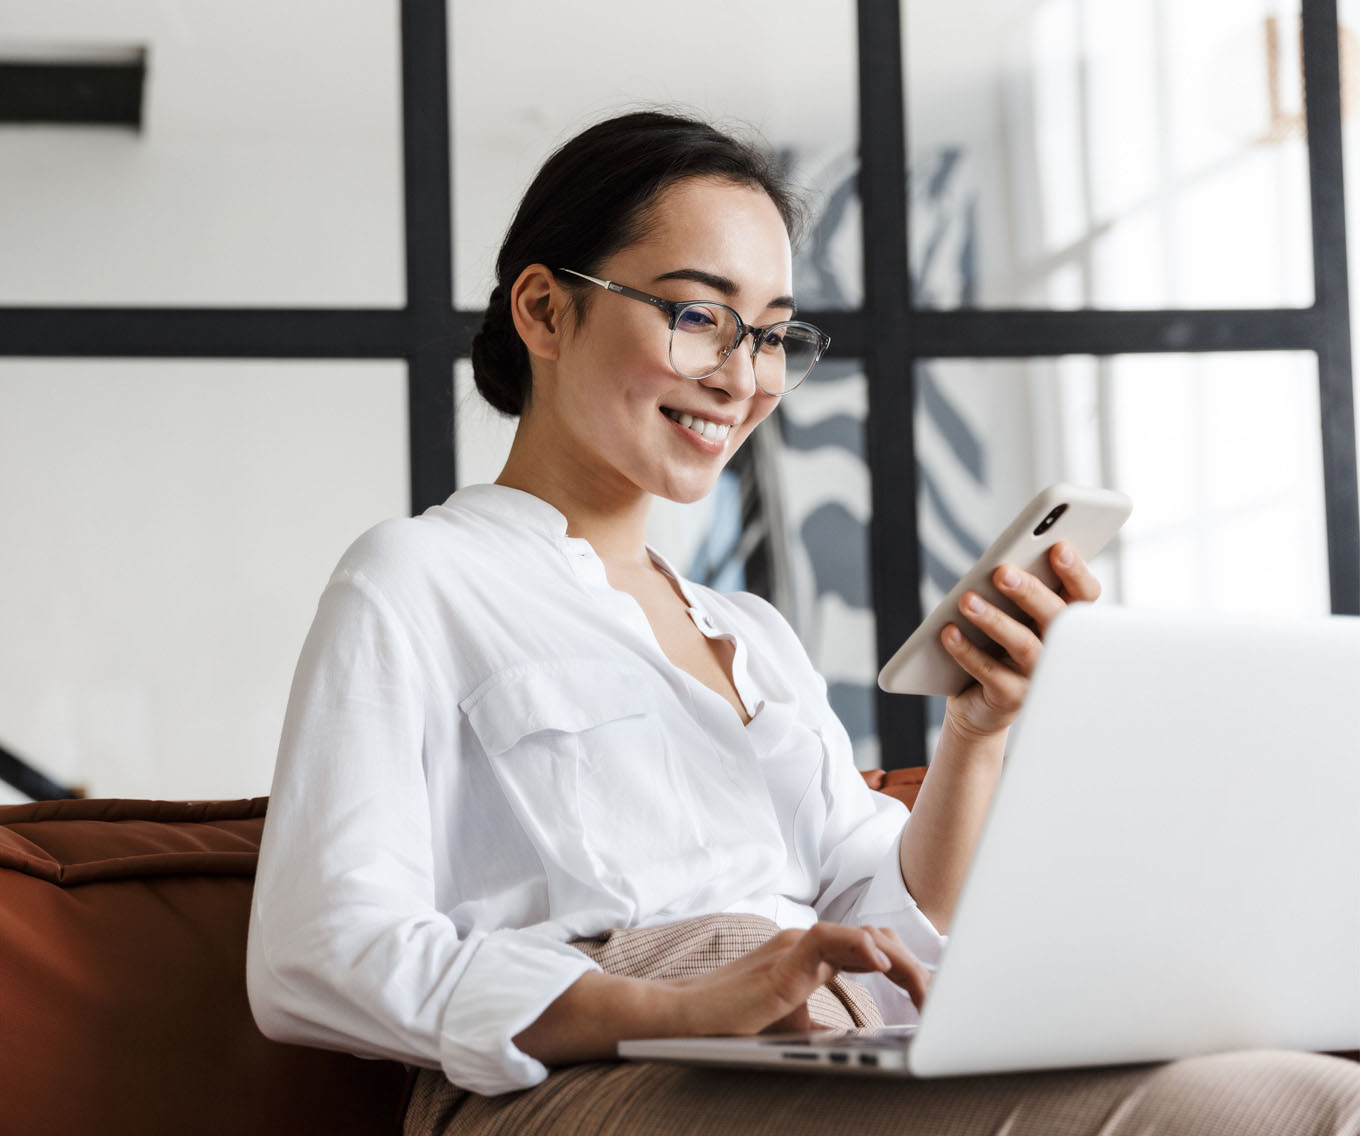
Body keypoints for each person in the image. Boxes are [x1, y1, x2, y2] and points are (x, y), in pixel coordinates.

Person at [247, 111, 1360, 1135]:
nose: (744, 377)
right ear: (544, 309)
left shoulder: (754, 636)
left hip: (816, 1047)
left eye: (773, 334)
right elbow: (317, 954)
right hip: (585, 1079)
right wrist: (679, 1006)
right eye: (699, 316)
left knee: (1313, 1092)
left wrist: (974, 732)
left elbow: (893, 927)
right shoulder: (417, 577)